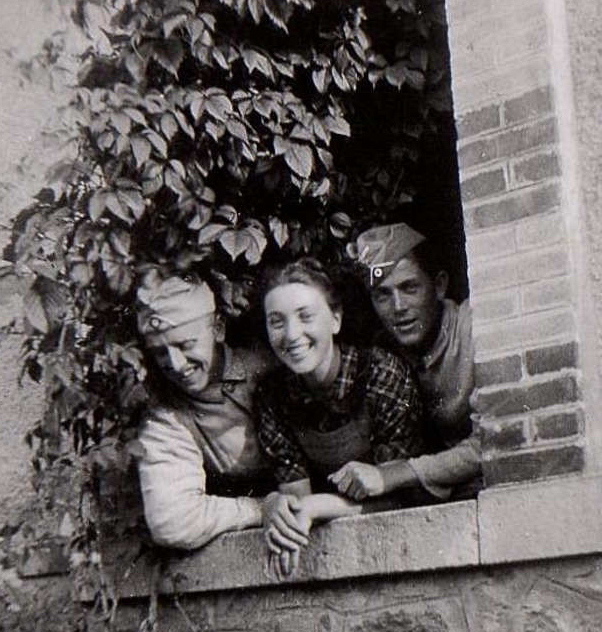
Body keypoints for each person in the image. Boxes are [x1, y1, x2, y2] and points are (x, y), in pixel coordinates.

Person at [255, 257, 425, 573]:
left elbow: (401, 492)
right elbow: (297, 502)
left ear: (335, 319)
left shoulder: (381, 373)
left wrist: (319, 507)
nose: (292, 335)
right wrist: (279, 508)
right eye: (276, 322)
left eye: (305, 316)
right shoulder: (272, 395)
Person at [134, 273, 308, 554]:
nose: (176, 364)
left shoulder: (271, 365)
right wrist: (260, 508)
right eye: (160, 352)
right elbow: (173, 522)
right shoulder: (166, 417)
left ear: (217, 328)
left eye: (185, 344)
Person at [333, 222, 481, 502]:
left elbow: (494, 442)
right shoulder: (383, 354)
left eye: (410, 287)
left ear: (439, 285)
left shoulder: (473, 328)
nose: (398, 307)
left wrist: (398, 474)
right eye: (383, 295)